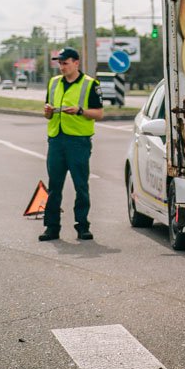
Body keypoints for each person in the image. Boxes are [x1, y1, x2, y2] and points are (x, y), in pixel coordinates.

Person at [40, 48, 104, 241]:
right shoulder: (53, 83)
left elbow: (99, 114)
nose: (62, 66)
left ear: (76, 63)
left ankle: (82, 226)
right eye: (59, 63)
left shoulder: (90, 84)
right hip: (56, 140)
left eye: (65, 62)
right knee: (54, 186)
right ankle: (52, 228)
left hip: (78, 142)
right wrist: (48, 111)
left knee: (80, 185)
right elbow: (46, 114)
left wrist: (79, 111)